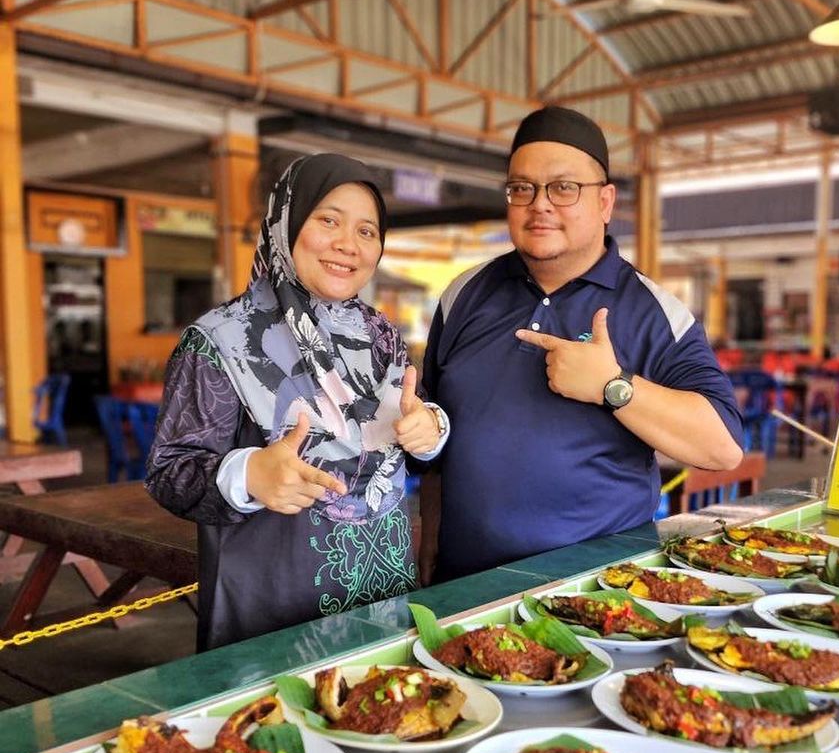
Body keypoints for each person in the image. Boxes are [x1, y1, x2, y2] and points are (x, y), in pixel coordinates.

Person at [418, 106, 744, 583]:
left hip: (598, 591)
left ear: (605, 203)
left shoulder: (656, 312)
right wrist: (430, 537)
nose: (540, 204)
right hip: (464, 586)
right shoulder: (463, 295)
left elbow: (724, 447)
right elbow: (436, 436)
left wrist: (614, 387)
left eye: (564, 187)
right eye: (521, 188)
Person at [146, 154, 447, 650]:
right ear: (285, 222)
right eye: (328, 220)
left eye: (367, 231)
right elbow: (169, 472)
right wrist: (249, 475)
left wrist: (432, 429)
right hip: (274, 614)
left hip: (384, 598)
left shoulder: (383, 337)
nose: (348, 245)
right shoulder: (222, 340)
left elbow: (415, 424)